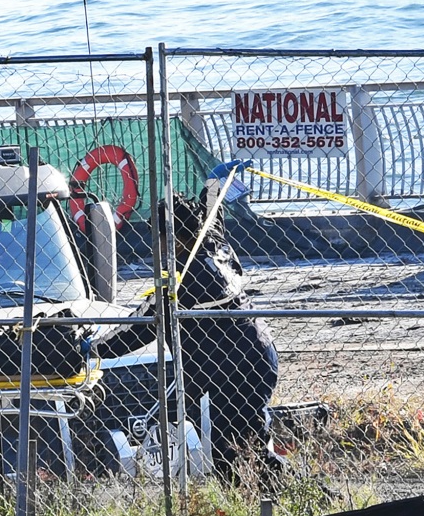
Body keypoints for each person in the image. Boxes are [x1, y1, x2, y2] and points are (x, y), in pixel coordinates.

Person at [92, 167, 282, 483]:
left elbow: (137, 328)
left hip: (234, 369)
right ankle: (266, 500)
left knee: (233, 452)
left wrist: (92, 347)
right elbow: (213, 206)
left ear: (175, 238)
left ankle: (276, 499)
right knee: (240, 443)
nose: (154, 247)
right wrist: (214, 179)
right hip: (258, 356)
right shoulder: (212, 240)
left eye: (158, 238)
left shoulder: (176, 281)